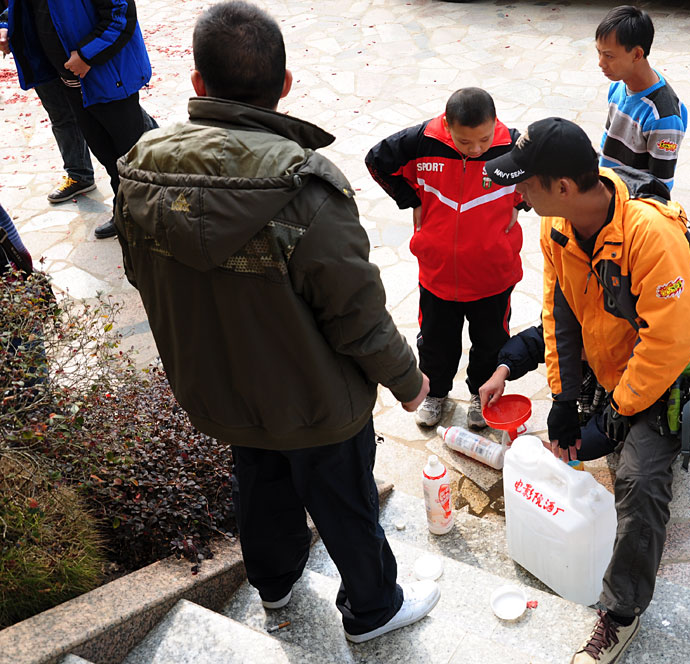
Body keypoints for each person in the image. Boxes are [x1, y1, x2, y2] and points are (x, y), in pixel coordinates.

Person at [114, 1, 439, 643]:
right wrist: (408, 381)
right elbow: (357, 316)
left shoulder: (140, 170)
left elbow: (139, 274)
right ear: (285, 85)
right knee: (345, 501)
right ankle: (373, 609)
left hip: (222, 389)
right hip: (315, 398)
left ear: (198, 84)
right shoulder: (304, 190)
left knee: (259, 483)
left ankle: (276, 586)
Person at [485, 117, 690, 664]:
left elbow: (670, 341)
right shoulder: (556, 225)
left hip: (666, 370)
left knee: (639, 482)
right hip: (608, 362)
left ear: (562, 187)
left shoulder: (650, 235)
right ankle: (612, 420)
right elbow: (559, 311)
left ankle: (621, 613)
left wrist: (619, 410)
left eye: (524, 183)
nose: (517, 194)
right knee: (586, 441)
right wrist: (563, 398)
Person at [365, 88, 525, 430]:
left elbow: (547, 174)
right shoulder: (422, 141)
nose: (477, 148)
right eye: (465, 142)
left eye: (483, 138)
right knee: (436, 341)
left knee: (490, 343)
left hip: (493, 274)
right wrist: (410, 199)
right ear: (446, 124)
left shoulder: (512, 146)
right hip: (437, 273)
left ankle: (482, 396)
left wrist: (520, 202)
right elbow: (375, 160)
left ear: (494, 123)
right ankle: (435, 392)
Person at [1, 0, 155, 240]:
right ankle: (126, 213)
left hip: (109, 77)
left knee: (132, 156)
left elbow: (120, 15)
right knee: (106, 154)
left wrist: (87, 55)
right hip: (73, 83)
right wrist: (6, 24)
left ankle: (151, 219)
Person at [478, 323, 615, 462]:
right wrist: (501, 371)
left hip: (625, 414)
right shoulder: (569, 326)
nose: (568, 352)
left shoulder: (627, 367)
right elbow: (535, 341)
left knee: (630, 464)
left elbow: (609, 428)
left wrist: (551, 449)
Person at [596, 5, 687, 191]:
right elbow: (608, 141)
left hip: (632, 208)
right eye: (598, 52)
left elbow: (660, 189)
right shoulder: (618, 87)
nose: (601, 63)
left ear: (637, 54)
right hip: (608, 194)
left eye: (609, 55)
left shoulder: (663, 117)